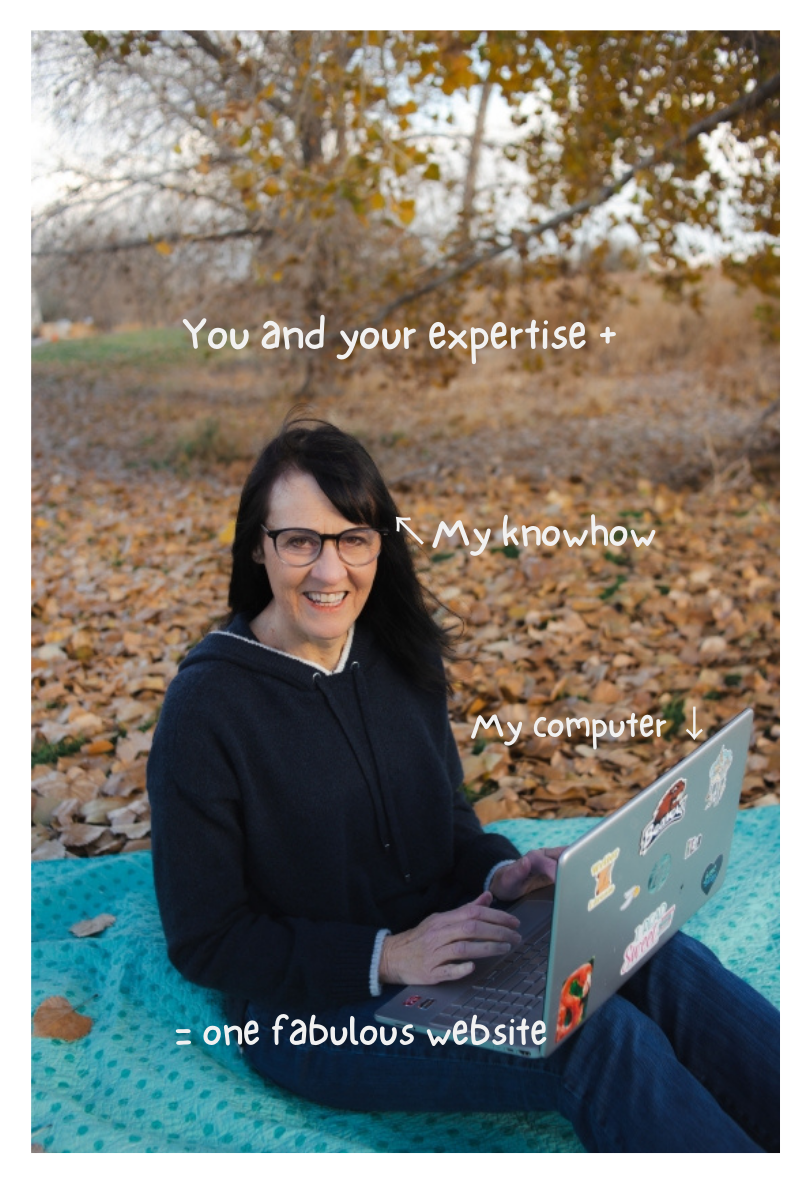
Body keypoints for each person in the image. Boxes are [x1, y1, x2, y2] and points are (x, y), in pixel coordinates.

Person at [148, 418, 780, 1154]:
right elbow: (206, 939)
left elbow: (445, 823)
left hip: (456, 947)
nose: (330, 572)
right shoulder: (206, 710)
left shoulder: (398, 655)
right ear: (258, 546)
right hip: (315, 1013)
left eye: (353, 538)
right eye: (300, 542)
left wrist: (505, 875)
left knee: (646, 950)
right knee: (591, 1037)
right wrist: (387, 954)